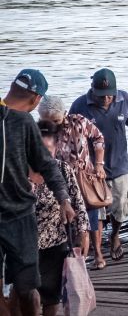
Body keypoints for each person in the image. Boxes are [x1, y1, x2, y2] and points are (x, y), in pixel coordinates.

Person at [1, 69, 73, 316]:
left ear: (11, 86)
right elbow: (47, 165)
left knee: (23, 286)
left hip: (17, 215)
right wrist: (64, 199)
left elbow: (45, 165)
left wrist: (62, 197)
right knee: (27, 285)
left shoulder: (23, 122)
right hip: (20, 215)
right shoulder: (24, 122)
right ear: (36, 100)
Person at [69, 68, 128, 265]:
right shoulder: (80, 105)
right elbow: (69, 135)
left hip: (119, 164)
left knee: (120, 207)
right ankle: (98, 251)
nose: (106, 99)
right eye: (101, 96)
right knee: (97, 211)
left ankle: (115, 235)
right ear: (92, 90)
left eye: (109, 95)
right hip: (91, 170)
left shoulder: (124, 100)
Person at [37, 95, 106, 268]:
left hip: (83, 177)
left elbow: (98, 138)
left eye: (56, 120)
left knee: (90, 217)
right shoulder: (40, 130)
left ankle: (97, 253)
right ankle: (71, 261)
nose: (53, 124)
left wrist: (99, 164)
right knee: (66, 222)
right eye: (48, 121)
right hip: (58, 180)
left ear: (64, 114)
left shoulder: (79, 122)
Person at [32, 120, 90, 316]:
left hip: (55, 242)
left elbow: (78, 203)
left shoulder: (63, 169)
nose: (43, 156)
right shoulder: (18, 170)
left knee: (51, 296)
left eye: (48, 150)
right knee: (26, 294)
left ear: (56, 148)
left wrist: (83, 233)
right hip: (24, 244)